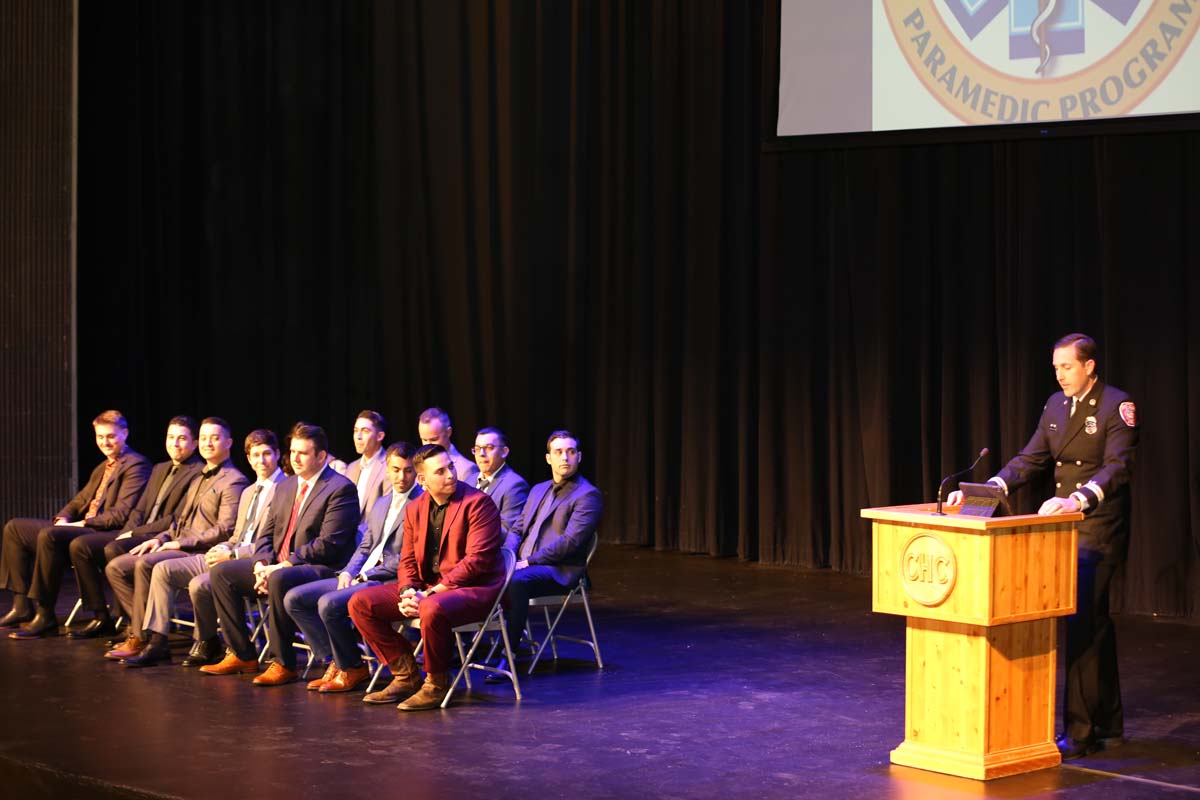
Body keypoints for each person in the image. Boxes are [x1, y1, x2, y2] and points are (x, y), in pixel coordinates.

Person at [948, 333, 1138, 760]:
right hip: (1060, 530)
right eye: (1056, 367)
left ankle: (1082, 732)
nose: (1060, 374)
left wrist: (1078, 499)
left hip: (1097, 527)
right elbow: (1031, 458)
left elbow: (1117, 468)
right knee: (1093, 624)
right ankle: (1109, 723)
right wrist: (986, 491)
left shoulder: (1116, 406)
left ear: (1089, 366)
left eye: (1067, 367)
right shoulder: (1055, 405)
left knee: (1084, 625)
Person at [348, 444, 504, 710]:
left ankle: (437, 683)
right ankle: (406, 674)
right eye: (440, 471)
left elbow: (477, 562)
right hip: (427, 589)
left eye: (451, 467)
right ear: (422, 479)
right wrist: (408, 590)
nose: (451, 475)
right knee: (359, 603)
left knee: (431, 608)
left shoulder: (478, 503)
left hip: (474, 589)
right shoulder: (415, 508)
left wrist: (429, 594)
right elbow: (407, 559)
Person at [201, 423, 358, 685]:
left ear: (321, 456)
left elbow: (329, 544)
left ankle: (282, 662)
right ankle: (242, 653)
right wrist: (261, 564)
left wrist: (283, 565)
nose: (294, 458)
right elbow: (266, 534)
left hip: (321, 567)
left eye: (303, 453)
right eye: (293, 451)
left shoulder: (340, 488)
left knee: (279, 579)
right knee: (221, 573)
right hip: (278, 566)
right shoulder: (285, 487)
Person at [105, 418, 249, 665]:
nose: (207, 443)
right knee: (116, 567)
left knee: (147, 565)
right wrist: (161, 538)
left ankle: (151, 640)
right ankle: (143, 629)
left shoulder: (233, 480)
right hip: (179, 544)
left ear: (229, 442)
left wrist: (180, 544)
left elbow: (225, 529)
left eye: (214, 438)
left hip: (200, 550)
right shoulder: (199, 477)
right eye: (203, 438)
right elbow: (179, 522)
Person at [136, 429, 285, 668]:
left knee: (200, 584)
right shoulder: (249, 492)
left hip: (256, 562)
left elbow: (275, 542)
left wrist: (233, 554)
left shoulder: (286, 489)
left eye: (266, 454)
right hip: (230, 554)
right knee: (163, 569)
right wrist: (223, 548)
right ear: (248, 458)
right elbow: (237, 534)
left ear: (277, 454)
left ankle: (207, 641)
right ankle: (157, 640)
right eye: (255, 455)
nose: (261, 460)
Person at [282, 441, 422, 693]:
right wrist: (348, 571)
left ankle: (352, 666)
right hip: (360, 574)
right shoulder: (381, 503)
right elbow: (365, 546)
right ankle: (336, 660)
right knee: (295, 599)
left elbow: (406, 558)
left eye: (408, 470)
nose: (402, 476)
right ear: (387, 469)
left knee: (328, 603)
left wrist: (365, 574)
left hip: (386, 580)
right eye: (396, 469)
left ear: (417, 471)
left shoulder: (421, 504)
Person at [1, 410, 151, 639]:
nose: (105, 442)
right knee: (14, 528)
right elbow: (80, 500)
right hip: (83, 526)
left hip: (105, 531)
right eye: (100, 437)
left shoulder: (136, 465)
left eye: (110, 436)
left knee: (50, 536)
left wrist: (81, 523)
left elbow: (120, 514)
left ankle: (46, 613)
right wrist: (63, 518)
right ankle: (22, 605)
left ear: (125, 433)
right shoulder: (103, 467)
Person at [64, 415, 203, 639]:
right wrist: (123, 534)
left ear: (195, 443)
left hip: (161, 536)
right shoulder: (160, 468)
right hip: (140, 532)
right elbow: (139, 510)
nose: (174, 444)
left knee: (113, 550)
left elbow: (176, 519)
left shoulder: (198, 471)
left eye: (181, 439)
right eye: (170, 437)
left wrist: (134, 534)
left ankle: (136, 625)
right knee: (88, 546)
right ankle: (106, 617)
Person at [503, 430, 603, 653]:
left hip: (558, 570)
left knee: (514, 582)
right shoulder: (539, 489)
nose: (565, 457)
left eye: (570, 451)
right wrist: (509, 558)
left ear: (579, 456)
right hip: (523, 564)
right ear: (549, 458)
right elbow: (517, 528)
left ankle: (508, 652)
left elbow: (571, 543)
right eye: (558, 452)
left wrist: (528, 562)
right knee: (487, 574)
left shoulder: (587, 495)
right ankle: (476, 643)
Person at [471, 426, 528, 538]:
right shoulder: (470, 479)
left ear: (504, 452)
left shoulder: (515, 485)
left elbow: (507, 531)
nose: (481, 454)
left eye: (489, 447)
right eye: (477, 449)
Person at [345, 410, 390, 529]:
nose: (358, 436)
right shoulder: (351, 467)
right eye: (356, 431)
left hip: (372, 537)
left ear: (380, 436)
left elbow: (387, 513)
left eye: (365, 431)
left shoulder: (389, 466)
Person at [418, 407, 478, 483]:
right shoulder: (418, 466)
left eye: (434, 439)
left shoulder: (466, 470)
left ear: (448, 432)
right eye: (424, 440)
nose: (428, 445)